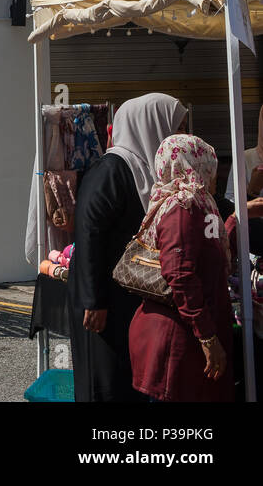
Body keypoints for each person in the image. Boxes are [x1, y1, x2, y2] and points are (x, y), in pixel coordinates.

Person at [68, 93, 186, 402]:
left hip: (125, 299)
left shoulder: (145, 169)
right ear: (150, 125)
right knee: (106, 382)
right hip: (103, 302)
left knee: (127, 381)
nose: (181, 136)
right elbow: (89, 232)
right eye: (176, 127)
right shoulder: (111, 170)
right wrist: (94, 301)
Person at [129, 134, 236, 402]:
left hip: (188, 339)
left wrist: (235, 219)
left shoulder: (201, 205)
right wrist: (208, 338)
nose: (215, 173)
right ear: (193, 163)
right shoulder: (182, 208)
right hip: (178, 343)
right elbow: (179, 274)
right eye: (209, 164)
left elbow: (209, 252)